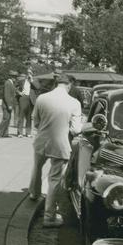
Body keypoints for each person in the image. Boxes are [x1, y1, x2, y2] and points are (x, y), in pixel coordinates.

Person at [27, 73, 83, 228]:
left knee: (37, 167)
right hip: (60, 144)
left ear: (56, 83)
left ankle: (34, 193)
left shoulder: (42, 98)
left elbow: (36, 122)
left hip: (41, 141)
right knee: (54, 179)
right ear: (69, 85)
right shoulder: (74, 102)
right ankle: (49, 216)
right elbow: (76, 129)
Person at [0, 70, 19, 138]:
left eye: (16, 77)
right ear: (11, 77)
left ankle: (5, 133)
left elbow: (13, 92)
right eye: (14, 77)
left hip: (8, 105)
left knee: (8, 119)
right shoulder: (8, 83)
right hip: (6, 105)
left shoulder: (11, 83)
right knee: (6, 119)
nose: (15, 78)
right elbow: (6, 95)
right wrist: (9, 105)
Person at [16, 72, 33, 137]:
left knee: (29, 117)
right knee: (21, 116)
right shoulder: (21, 81)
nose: (29, 75)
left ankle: (28, 133)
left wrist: (32, 80)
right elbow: (15, 87)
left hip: (30, 99)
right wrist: (19, 93)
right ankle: (20, 133)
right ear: (26, 75)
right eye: (28, 74)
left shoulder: (33, 82)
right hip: (23, 98)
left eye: (30, 74)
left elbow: (38, 87)